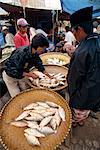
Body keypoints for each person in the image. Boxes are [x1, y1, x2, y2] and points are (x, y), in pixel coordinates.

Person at [67, 7, 100, 127]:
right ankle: (80, 120)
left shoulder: (81, 52)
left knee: (77, 112)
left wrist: (72, 96)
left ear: (79, 29)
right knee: (85, 112)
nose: (74, 35)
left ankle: (75, 122)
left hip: (82, 96)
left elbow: (74, 80)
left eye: (73, 31)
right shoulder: (97, 40)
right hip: (95, 95)